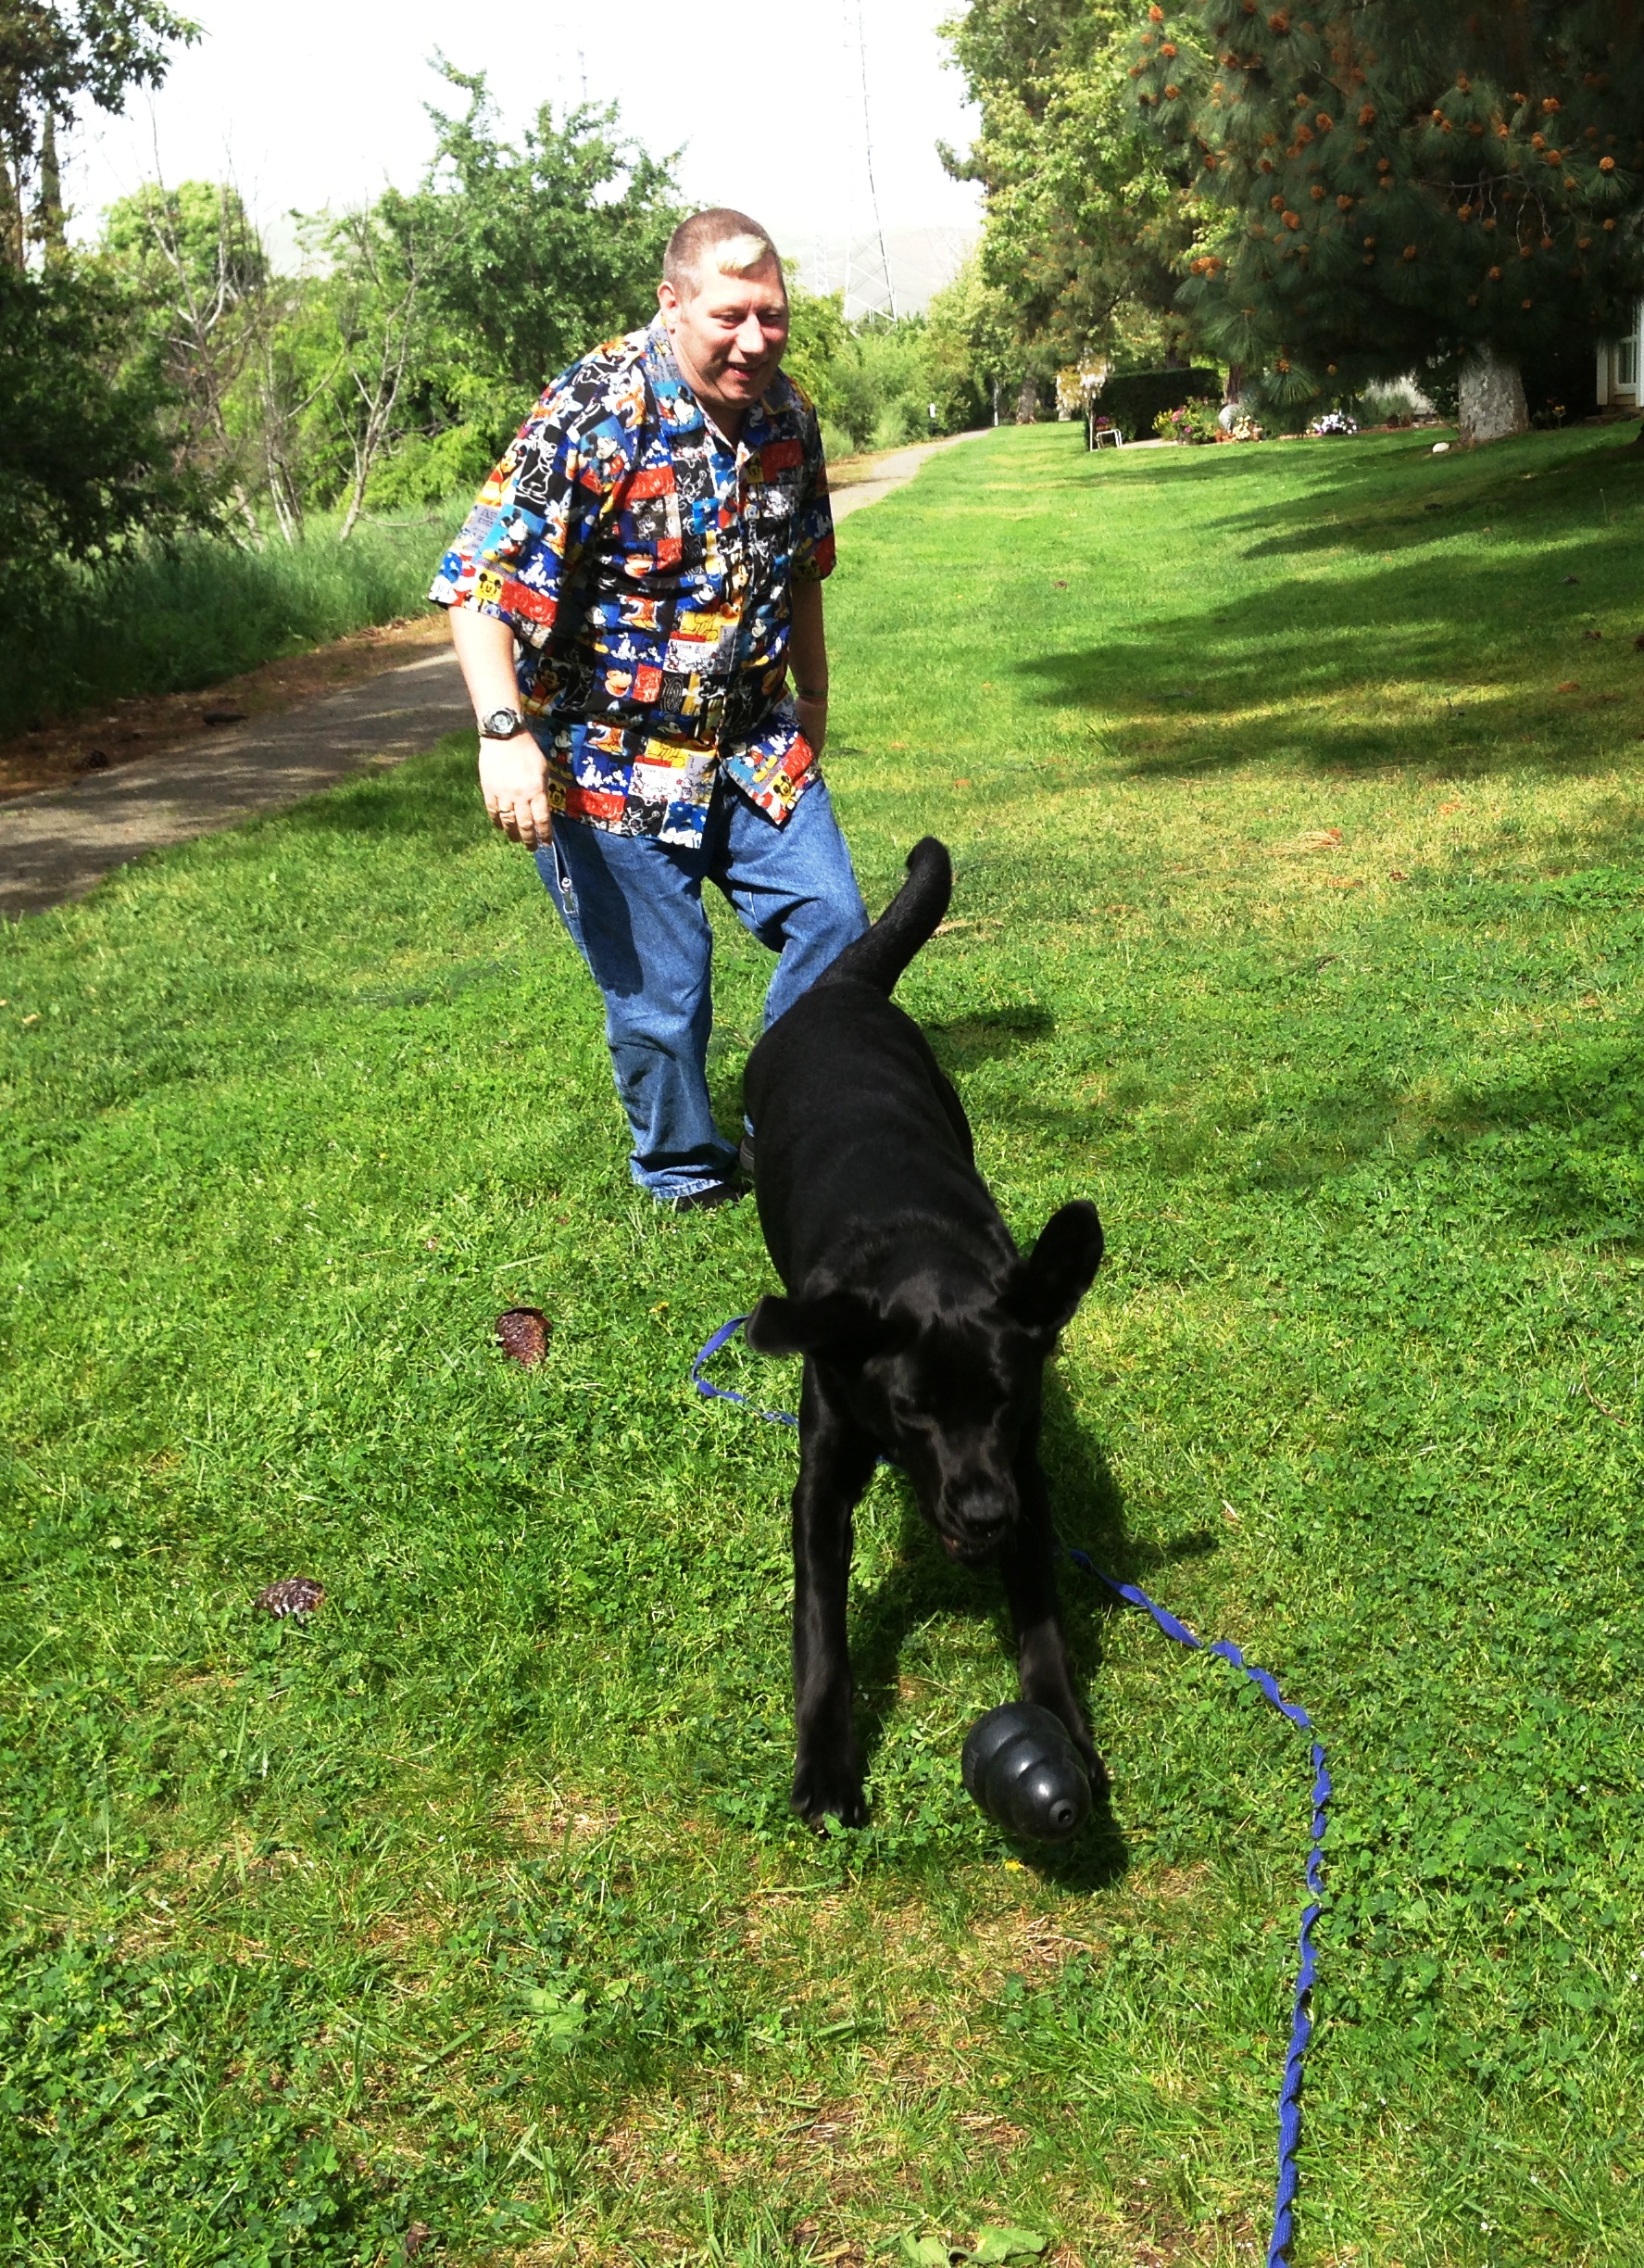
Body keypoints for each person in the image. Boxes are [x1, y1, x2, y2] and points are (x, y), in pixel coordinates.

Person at [431, 208, 868, 1209]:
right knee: (663, 998)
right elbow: (481, 581)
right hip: (608, 762)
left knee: (836, 920)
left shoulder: (788, 418)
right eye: (729, 316)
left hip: (752, 739)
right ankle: (681, 1175)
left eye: (772, 318)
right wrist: (503, 735)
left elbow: (804, 568)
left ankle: (778, 1120)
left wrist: (814, 698)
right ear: (670, 302)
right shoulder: (596, 410)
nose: (754, 341)